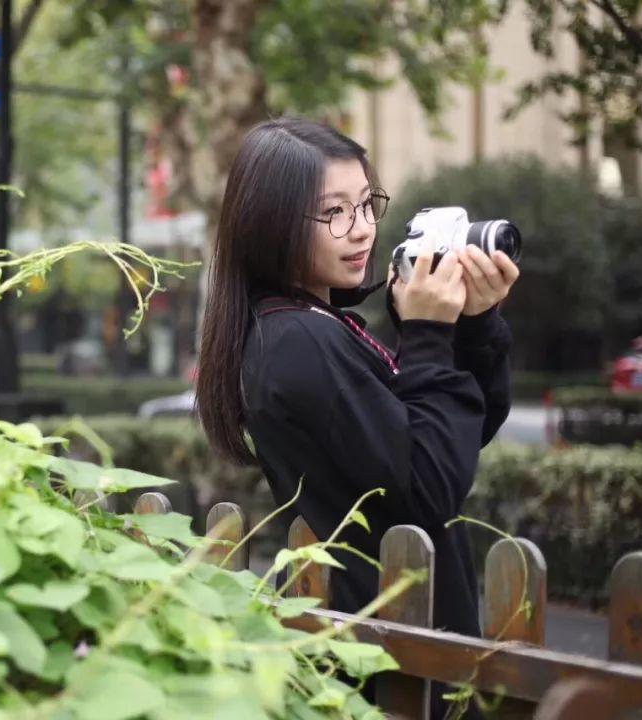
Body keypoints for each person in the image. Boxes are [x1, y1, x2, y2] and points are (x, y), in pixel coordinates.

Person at [194, 117, 518, 718]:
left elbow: (451, 441)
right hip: (384, 655)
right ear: (272, 224)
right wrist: (424, 332)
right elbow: (430, 489)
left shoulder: (314, 325)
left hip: (397, 633)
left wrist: (471, 324)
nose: (362, 229)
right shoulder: (294, 341)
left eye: (367, 204)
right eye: (335, 212)